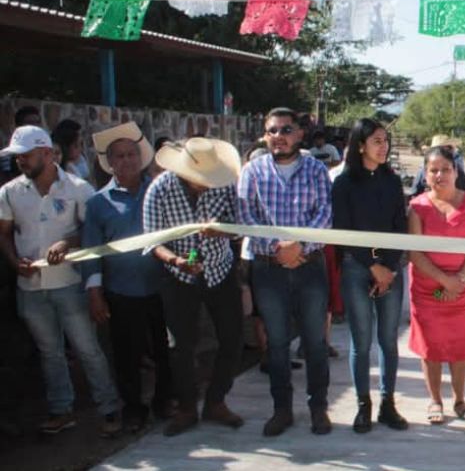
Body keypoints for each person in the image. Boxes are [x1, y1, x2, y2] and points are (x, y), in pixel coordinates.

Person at [0, 125, 122, 436]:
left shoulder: (79, 189)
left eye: (26, 155)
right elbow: (4, 234)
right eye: (17, 157)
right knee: (49, 351)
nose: (20, 162)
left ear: (46, 153)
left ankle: (109, 409)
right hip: (30, 288)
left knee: (87, 349)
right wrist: (14, 262)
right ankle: (61, 410)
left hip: (70, 284)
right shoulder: (10, 192)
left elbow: (94, 233)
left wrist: (68, 242)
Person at [238, 107, 334, 436]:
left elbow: (325, 213)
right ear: (265, 136)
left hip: (310, 267)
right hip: (269, 269)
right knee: (276, 343)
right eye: (272, 131)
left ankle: (318, 407)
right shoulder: (252, 171)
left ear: (300, 134)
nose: (279, 136)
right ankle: (282, 410)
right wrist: (278, 249)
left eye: (286, 130)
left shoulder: (316, 169)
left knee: (315, 342)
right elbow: (246, 216)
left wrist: (299, 247)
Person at [143, 136, 244, 436]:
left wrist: (222, 230)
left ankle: (216, 401)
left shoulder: (225, 184)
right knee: (181, 346)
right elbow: (152, 241)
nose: (205, 185)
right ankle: (187, 407)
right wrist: (176, 261)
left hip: (220, 271)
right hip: (179, 277)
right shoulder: (159, 190)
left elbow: (239, 225)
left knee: (232, 338)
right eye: (200, 179)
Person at [83, 122, 172, 433]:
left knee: (166, 349)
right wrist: (94, 292)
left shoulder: (161, 192)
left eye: (131, 154)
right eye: (119, 156)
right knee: (127, 355)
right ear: (109, 163)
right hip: (121, 291)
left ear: (141, 157)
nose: (126, 161)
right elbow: (91, 250)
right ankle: (133, 409)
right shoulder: (97, 203)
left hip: (163, 287)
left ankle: (165, 401)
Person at [332, 118, 409, 433]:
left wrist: (388, 267)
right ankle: (363, 405)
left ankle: (387, 404)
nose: (383, 146)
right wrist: (372, 265)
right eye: (377, 141)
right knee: (361, 341)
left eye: (385, 140)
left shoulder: (392, 181)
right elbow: (342, 230)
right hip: (356, 266)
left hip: (390, 269)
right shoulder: (344, 183)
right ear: (361, 145)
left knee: (389, 340)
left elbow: (400, 226)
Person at [407, 145, 465, 424]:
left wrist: (459, 281)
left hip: (464, 289)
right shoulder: (417, 207)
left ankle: (460, 400)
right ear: (425, 174)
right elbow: (415, 252)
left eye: (445, 169)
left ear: (456, 171)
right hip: (427, 288)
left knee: (460, 346)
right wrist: (444, 281)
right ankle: (435, 400)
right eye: (433, 170)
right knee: (430, 347)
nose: (439, 175)